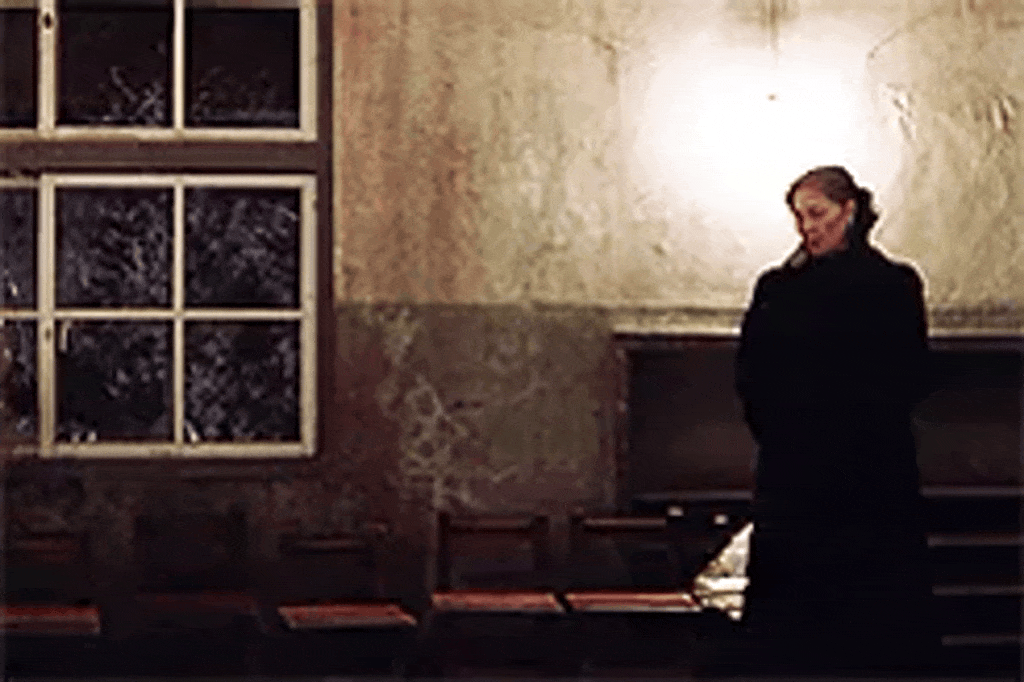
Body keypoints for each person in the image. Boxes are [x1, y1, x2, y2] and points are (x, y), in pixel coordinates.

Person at [733, 166, 938, 675]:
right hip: (808, 468)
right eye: (800, 217)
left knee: (865, 605)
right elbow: (751, 374)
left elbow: (910, 372)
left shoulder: (891, 284)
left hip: (861, 470)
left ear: (849, 211)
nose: (807, 228)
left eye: (817, 213)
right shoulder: (779, 287)